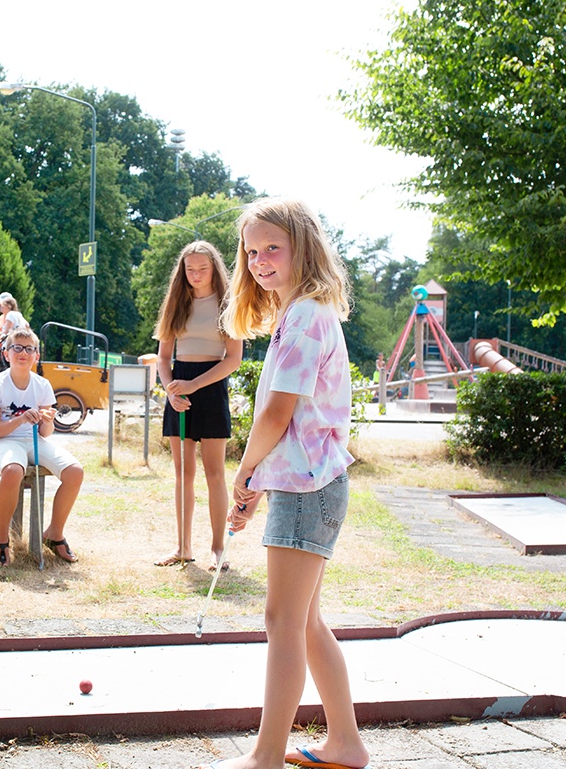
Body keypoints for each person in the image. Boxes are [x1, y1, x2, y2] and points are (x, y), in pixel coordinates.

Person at [203, 198, 370, 769]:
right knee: (304, 621)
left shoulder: (304, 317)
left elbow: (276, 414)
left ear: (304, 248)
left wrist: (244, 476)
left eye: (272, 246)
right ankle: (345, 743)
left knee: (281, 622)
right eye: (251, 250)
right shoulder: (299, 313)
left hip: (308, 492)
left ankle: (266, 756)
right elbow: (289, 423)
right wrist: (256, 482)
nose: (259, 260)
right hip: (309, 486)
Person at [152, 241, 242, 571]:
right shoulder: (176, 302)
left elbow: (233, 359)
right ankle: (182, 548)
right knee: (182, 473)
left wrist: (194, 385)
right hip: (179, 386)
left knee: (214, 473)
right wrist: (172, 390)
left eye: (202, 269)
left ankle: (219, 549)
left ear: (214, 269)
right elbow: (163, 358)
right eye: (190, 269)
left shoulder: (229, 304)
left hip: (211, 385)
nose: (196, 275)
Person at [0, 327, 84, 566]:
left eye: (29, 349)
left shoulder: (42, 385)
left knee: (75, 472)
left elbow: (45, 433)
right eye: (17, 347)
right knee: (13, 470)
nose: (23, 353)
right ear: (6, 353)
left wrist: (47, 422)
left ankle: (54, 534)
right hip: (3, 442)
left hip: (34, 441)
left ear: (36, 356)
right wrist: (20, 419)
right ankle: (1, 539)